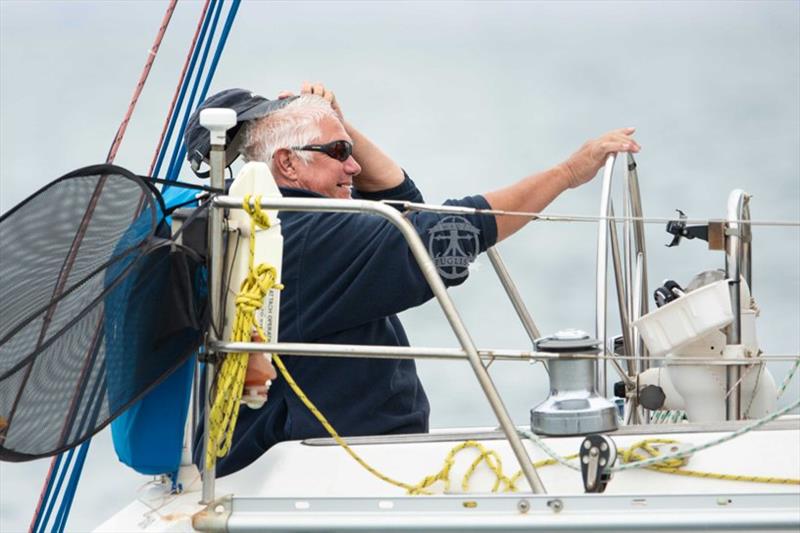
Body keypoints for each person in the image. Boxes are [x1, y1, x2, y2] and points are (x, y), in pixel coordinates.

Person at [185, 83, 640, 476]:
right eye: (340, 152)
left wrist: (340, 126)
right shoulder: (311, 235)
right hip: (328, 462)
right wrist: (566, 174)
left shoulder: (262, 222)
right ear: (287, 164)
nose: (355, 166)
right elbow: (448, 233)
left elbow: (403, 204)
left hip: (303, 453)